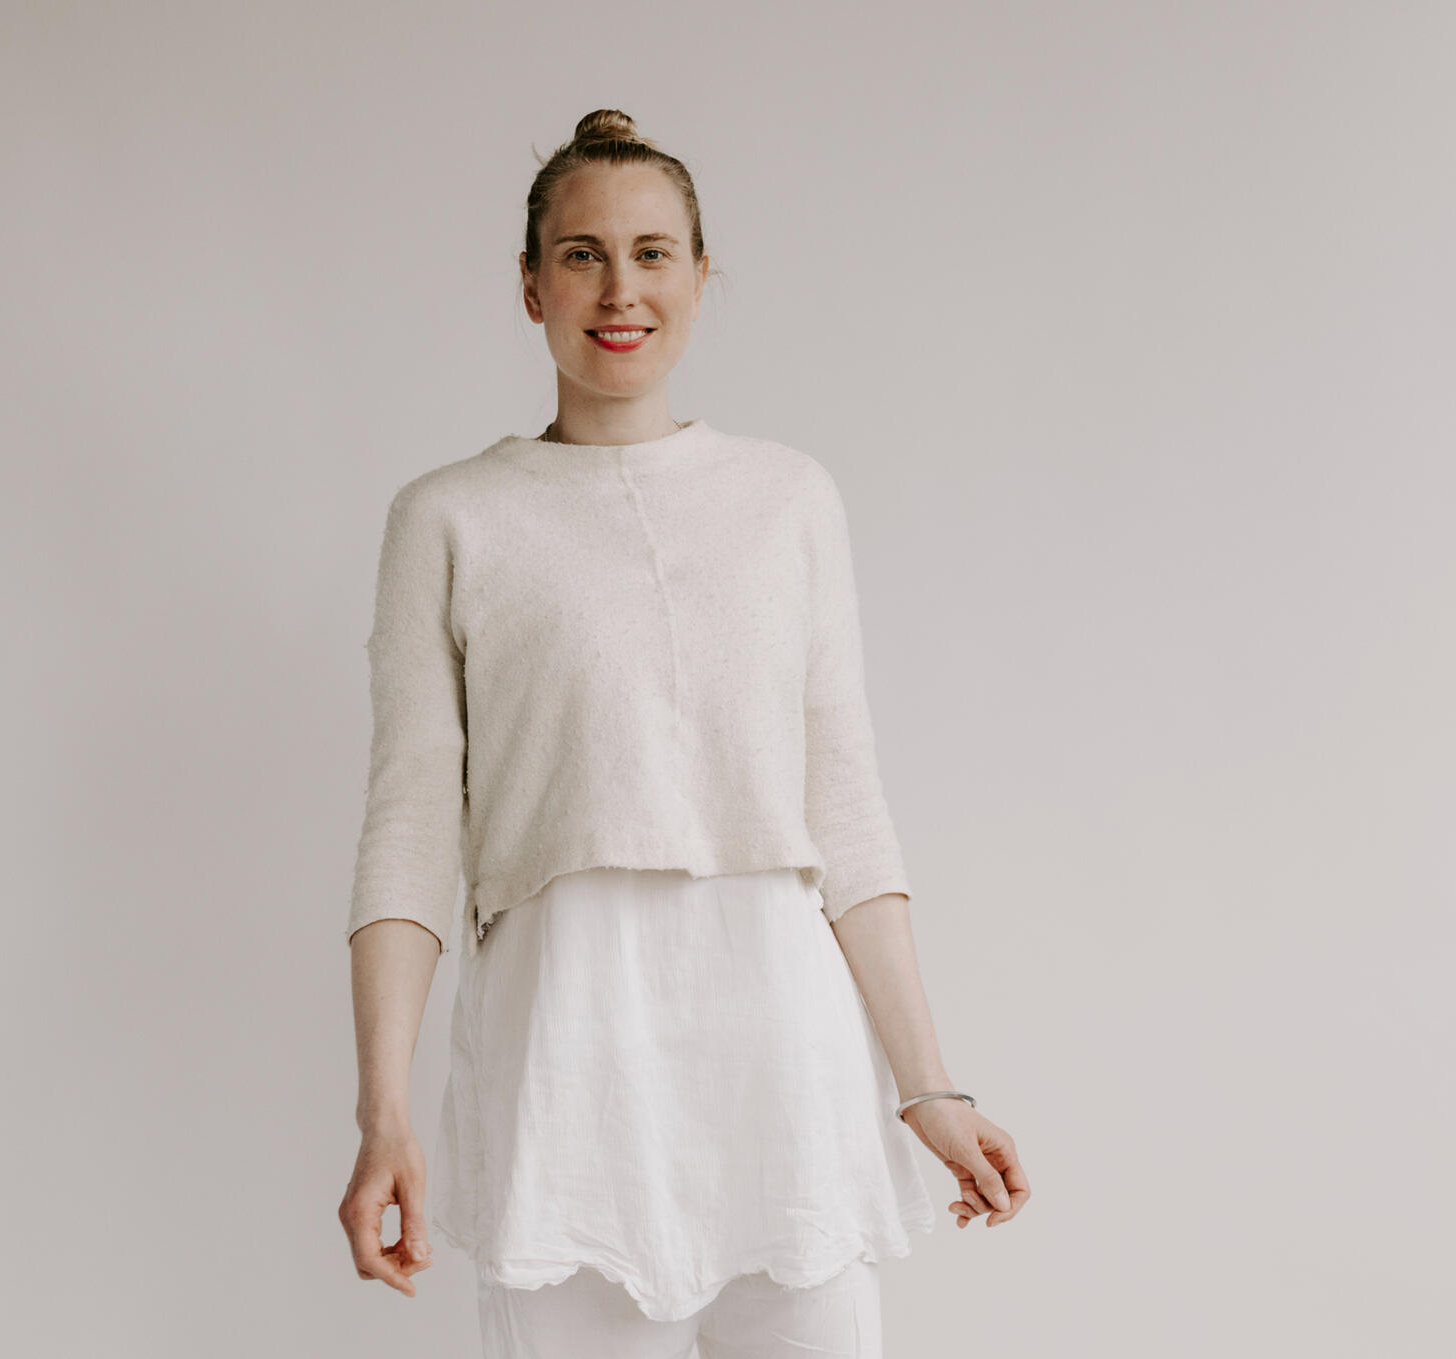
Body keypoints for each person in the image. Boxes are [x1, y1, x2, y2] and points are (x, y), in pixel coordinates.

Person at [338, 108, 1030, 1358]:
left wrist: (928, 1087)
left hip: (785, 1066)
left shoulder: (788, 500)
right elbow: (409, 829)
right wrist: (383, 1115)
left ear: (703, 278)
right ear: (531, 285)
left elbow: (845, 811)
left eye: (653, 253)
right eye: (584, 254)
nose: (621, 289)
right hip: (566, 1063)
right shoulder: (451, 519)